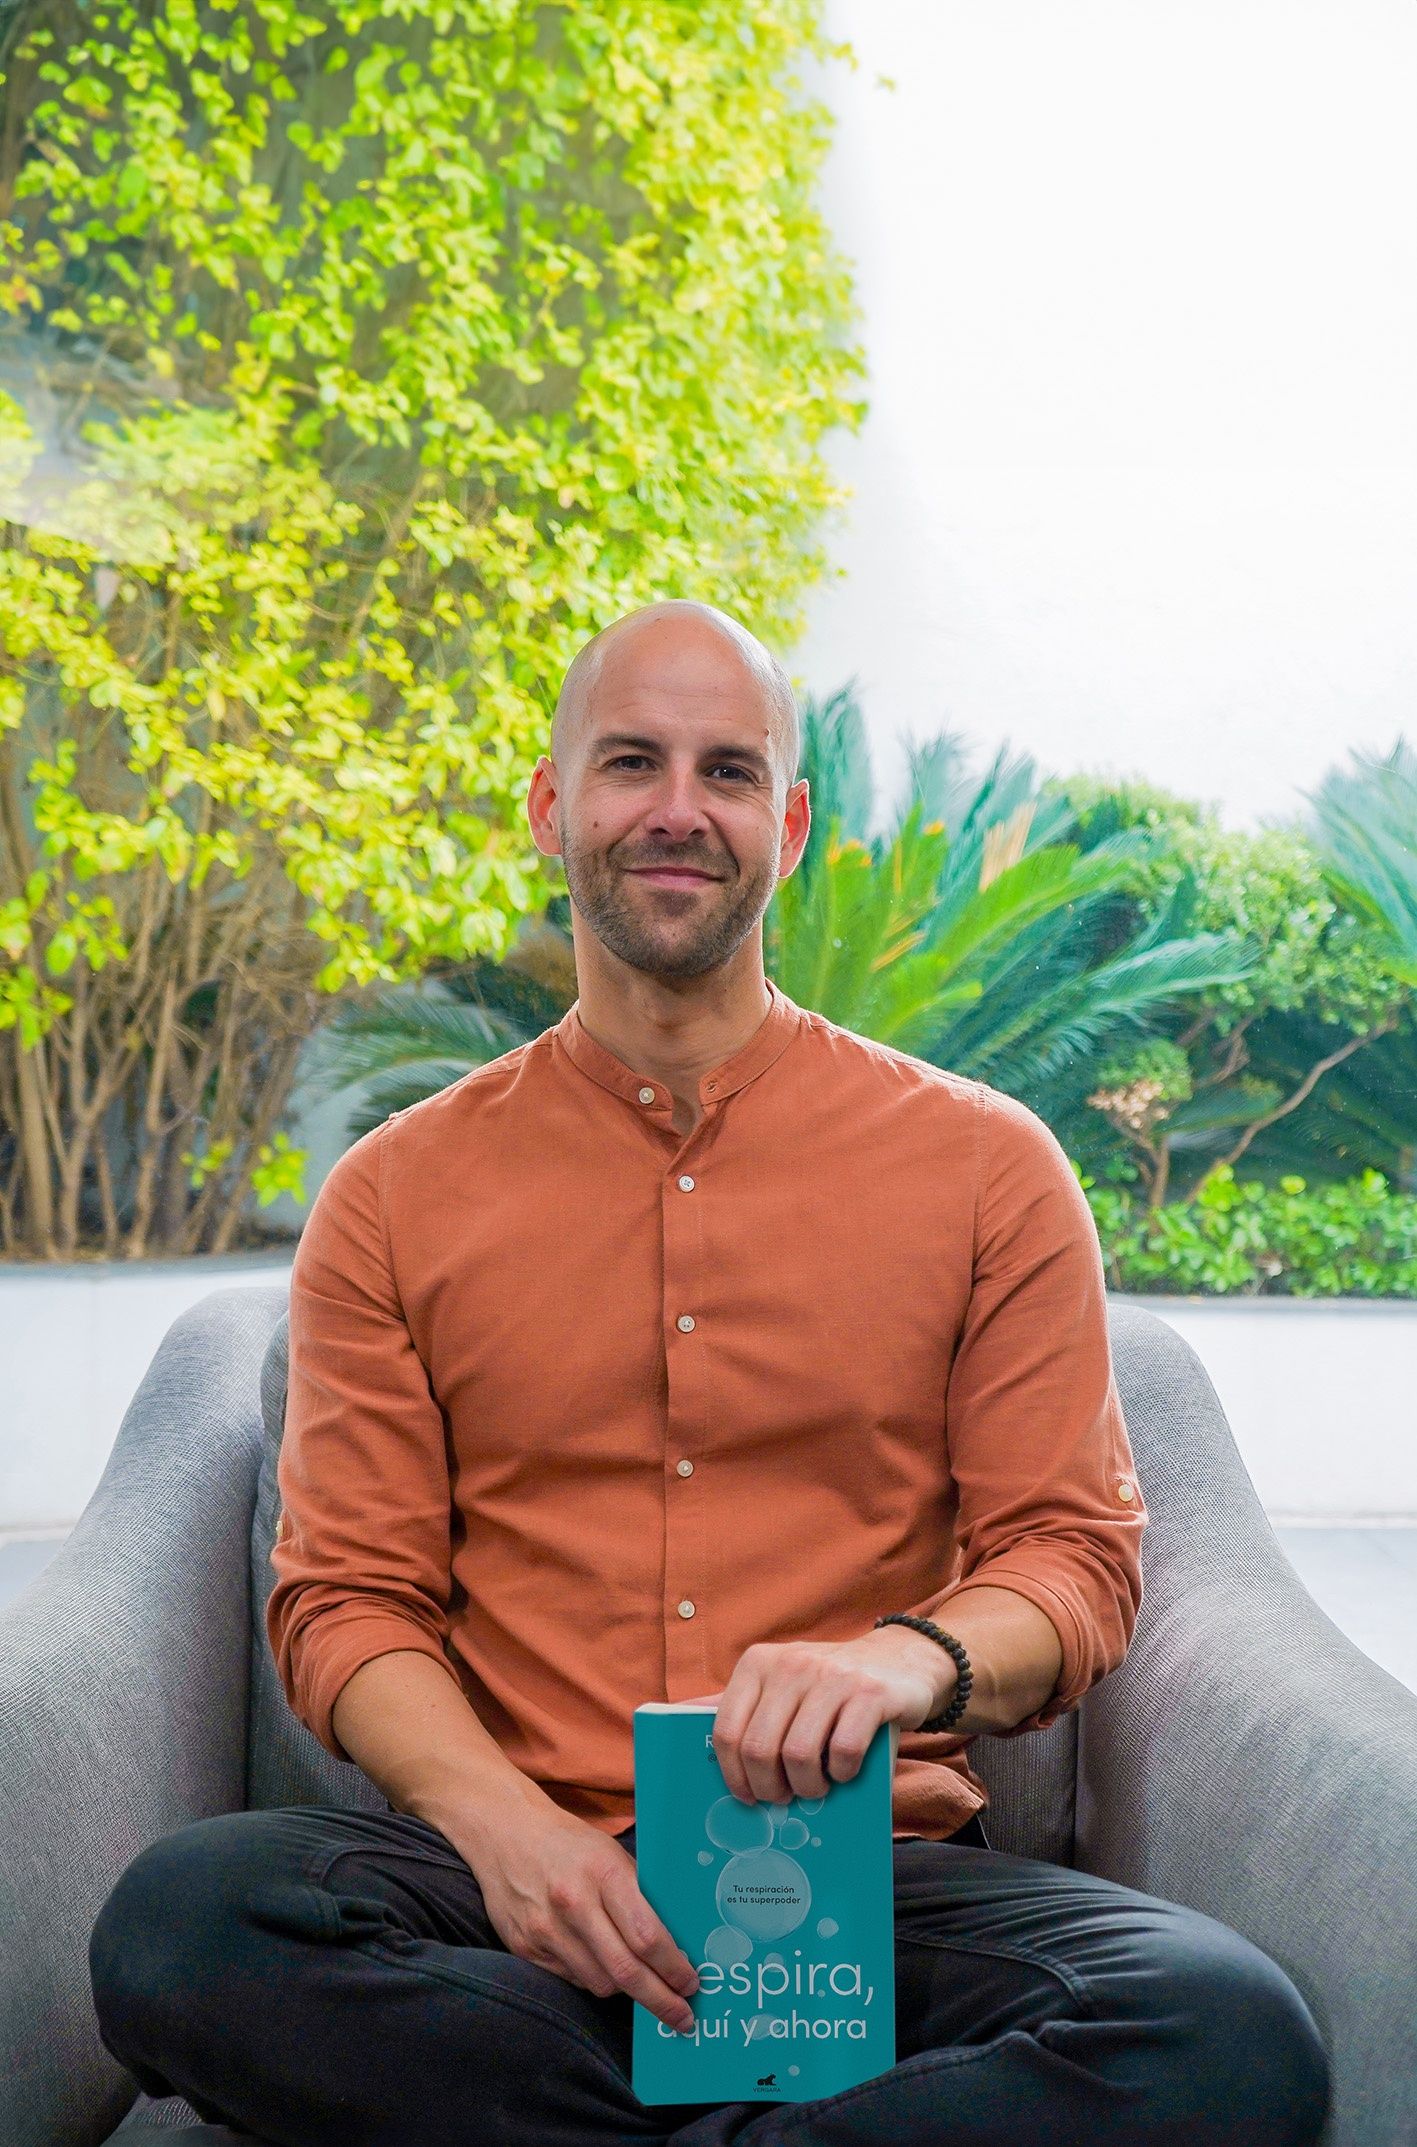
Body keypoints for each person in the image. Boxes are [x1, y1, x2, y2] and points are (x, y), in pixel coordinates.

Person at [88, 600, 1330, 2147]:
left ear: (787, 825)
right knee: (185, 1926)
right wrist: (507, 1833)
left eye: (727, 771)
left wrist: (902, 1663)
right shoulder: (395, 1194)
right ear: (551, 806)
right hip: (511, 1904)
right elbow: (347, 1602)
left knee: (1222, 2033)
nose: (677, 809)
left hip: (873, 1890)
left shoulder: (986, 1170)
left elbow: (1069, 1562)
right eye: (630, 763)